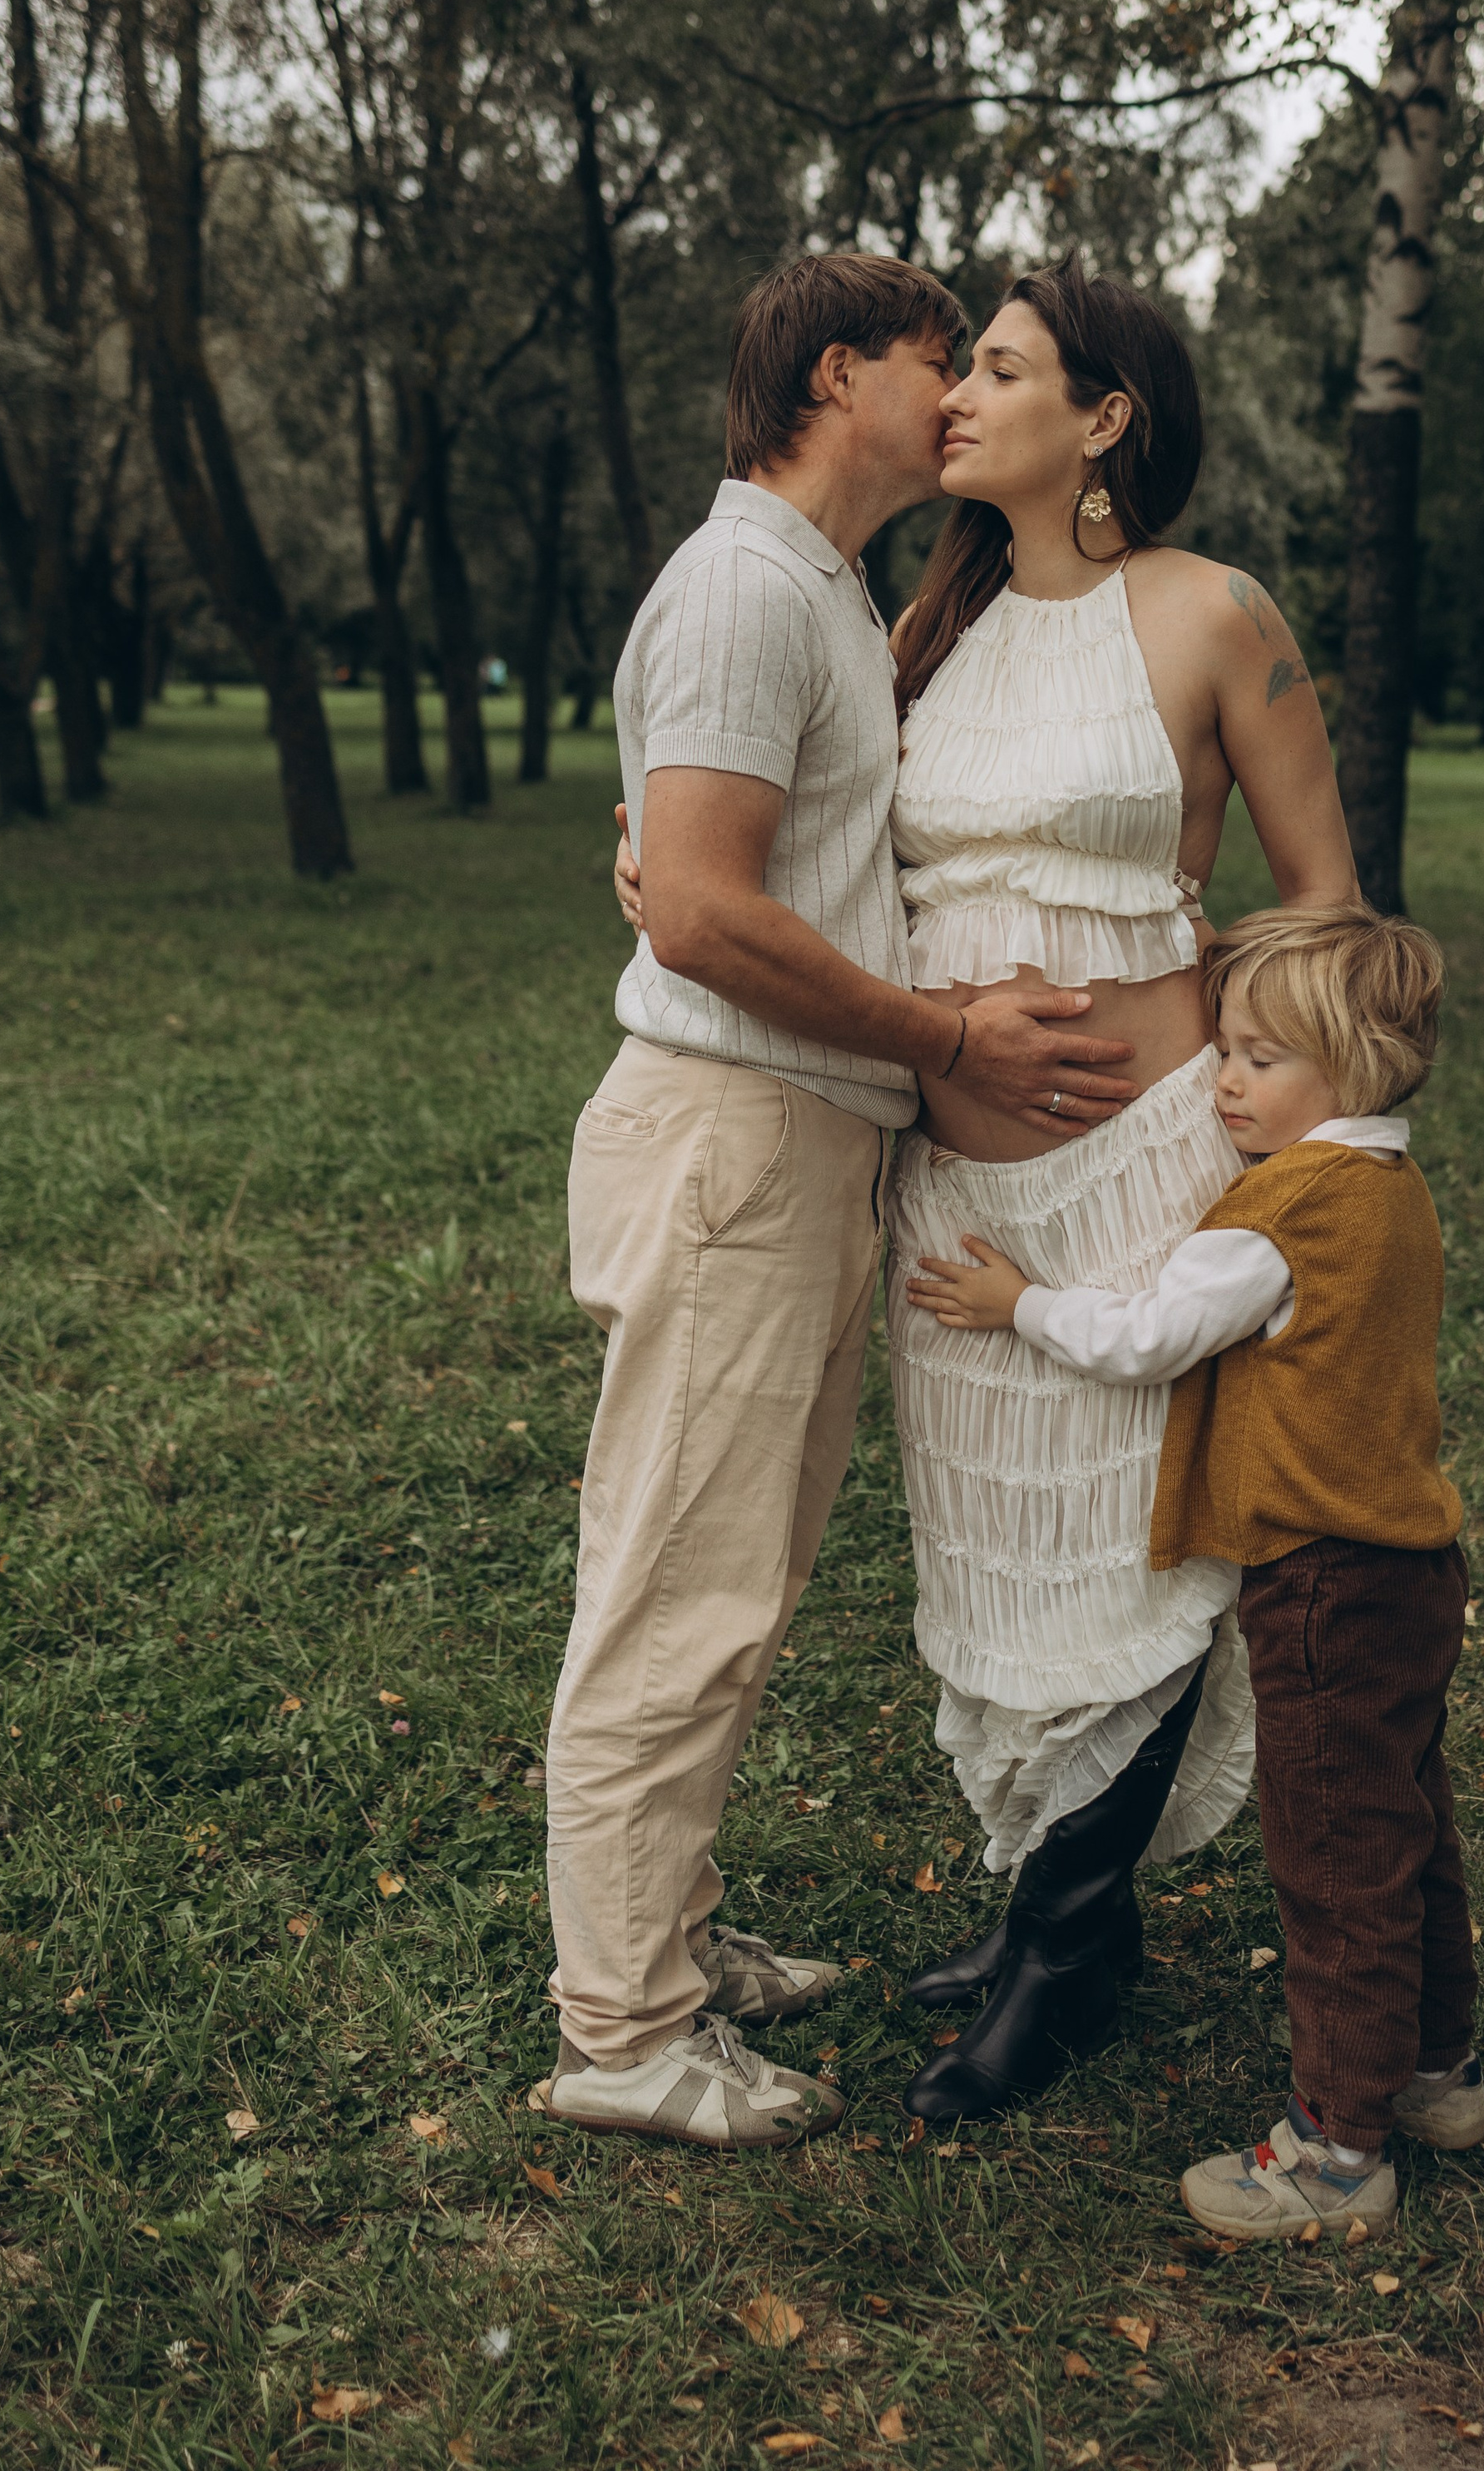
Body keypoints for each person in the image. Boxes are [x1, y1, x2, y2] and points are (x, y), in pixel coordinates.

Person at [547, 251, 1143, 2157]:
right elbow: (705, 910)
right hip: (731, 1140)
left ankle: (670, 1942)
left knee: (733, 1585)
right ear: (832, 375)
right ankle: (622, 2031)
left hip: (798, 1149)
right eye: (931, 356)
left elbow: (740, 862)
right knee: (675, 1598)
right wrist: (943, 1034)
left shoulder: (825, 591)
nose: (955, 389)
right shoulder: (743, 586)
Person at [878, 255, 1359, 2126]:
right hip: (955, 1203)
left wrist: (1283, 1121)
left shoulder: (1212, 614)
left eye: (998, 370)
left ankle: (1068, 1960)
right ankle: (1050, 1916)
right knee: (999, 1562)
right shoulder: (925, 632)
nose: (956, 396)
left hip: (1148, 1174)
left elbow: (1323, 903)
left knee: (1133, 1561)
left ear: (1105, 419)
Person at [908, 899, 1484, 2232]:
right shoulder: (1392, 1191)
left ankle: (1337, 2152)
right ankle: (1434, 2069)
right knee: (1409, 1827)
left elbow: (1149, 1338)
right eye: (1224, 1050)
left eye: (1260, 1059)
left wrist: (1016, 1304)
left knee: (1336, 1866)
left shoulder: (1281, 1211)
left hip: (1322, 1582)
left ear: (1358, 1068)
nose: (1223, 1081)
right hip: (1411, 1567)